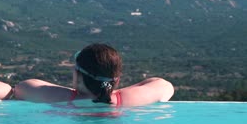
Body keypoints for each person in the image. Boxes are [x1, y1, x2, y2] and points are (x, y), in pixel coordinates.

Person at [14, 43, 174, 106]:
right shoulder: (128, 100)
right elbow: (163, 84)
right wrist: (115, 91)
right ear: (116, 80)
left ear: (77, 75)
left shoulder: (60, 97)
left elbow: (20, 88)